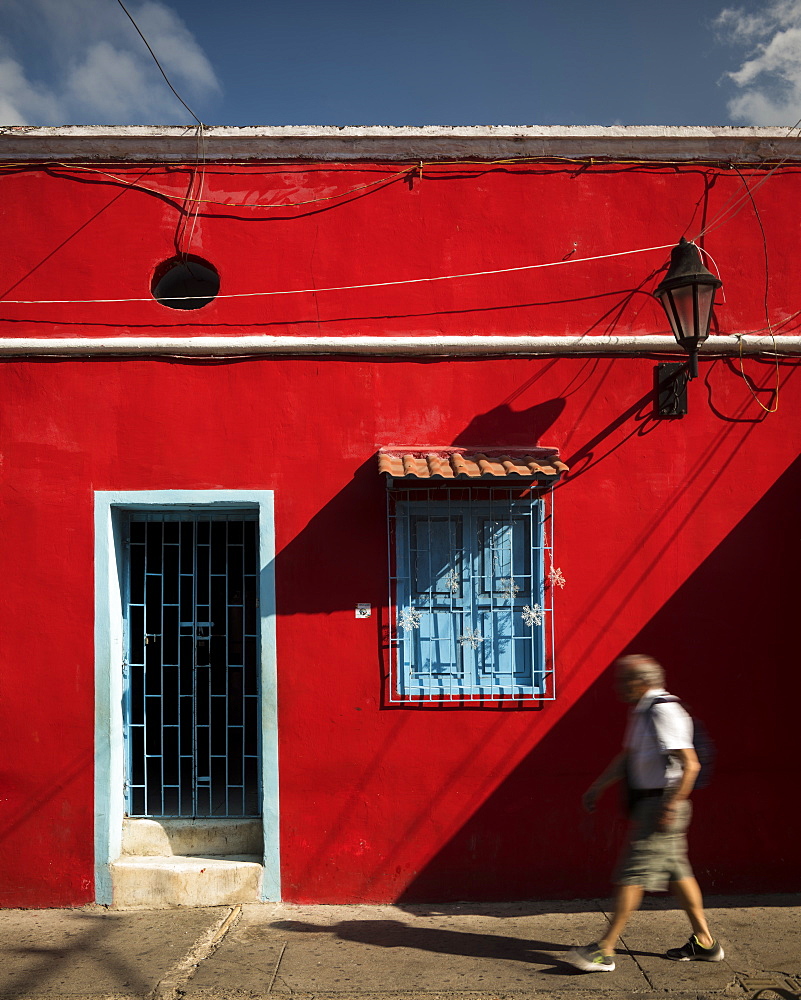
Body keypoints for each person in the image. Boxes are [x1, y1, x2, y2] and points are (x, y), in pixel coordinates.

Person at [566, 654, 723, 973]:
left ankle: (604, 949)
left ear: (642, 681)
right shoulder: (642, 712)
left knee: (632, 873)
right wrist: (598, 786)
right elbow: (628, 758)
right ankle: (705, 943)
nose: (618, 686)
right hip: (655, 803)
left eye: (623, 680)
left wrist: (671, 804)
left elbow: (691, 764)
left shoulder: (663, 710)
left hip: (663, 804)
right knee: (679, 874)